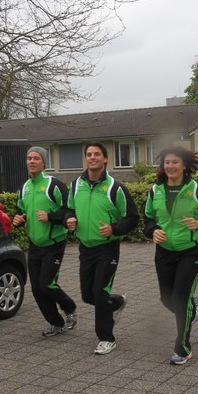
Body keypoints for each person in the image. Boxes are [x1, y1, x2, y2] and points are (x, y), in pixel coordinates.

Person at [143, 147, 198, 365]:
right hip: (164, 252)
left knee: (180, 299)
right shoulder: (155, 190)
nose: (170, 166)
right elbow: (148, 219)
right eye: (167, 162)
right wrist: (152, 231)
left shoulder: (196, 190)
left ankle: (183, 348)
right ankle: (191, 312)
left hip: (191, 251)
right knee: (167, 299)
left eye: (175, 162)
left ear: (184, 165)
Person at [66, 142, 139, 355]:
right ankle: (116, 302)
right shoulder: (76, 185)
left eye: (97, 154)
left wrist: (114, 229)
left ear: (105, 159)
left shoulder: (115, 188)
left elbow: (132, 217)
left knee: (99, 293)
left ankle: (106, 338)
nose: (92, 157)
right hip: (85, 247)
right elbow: (68, 209)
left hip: (107, 248)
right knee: (88, 295)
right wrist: (68, 219)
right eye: (89, 154)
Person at [13, 146, 77, 337]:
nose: (31, 161)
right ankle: (56, 323)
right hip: (35, 244)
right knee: (36, 289)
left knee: (47, 284)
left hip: (54, 244)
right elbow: (20, 210)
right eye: (29, 158)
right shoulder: (25, 187)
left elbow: (69, 211)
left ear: (44, 163)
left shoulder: (54, 185)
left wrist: (50, 217)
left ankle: (70, 307)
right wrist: (18, 219)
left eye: (36, 158)